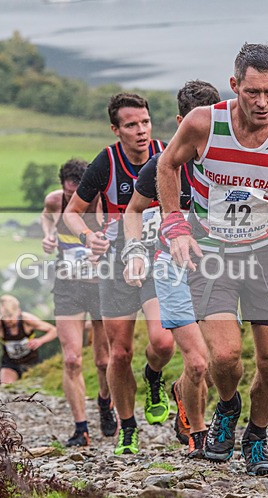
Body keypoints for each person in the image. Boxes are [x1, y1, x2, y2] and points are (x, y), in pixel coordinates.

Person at [155, 43, 268, 476]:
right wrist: (175, 226)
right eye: (252, 92)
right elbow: (165, 165)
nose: (262, 102)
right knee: (227, 356)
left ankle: (256, 435)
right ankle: (228, 408)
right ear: (234, 86)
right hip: (212, 255)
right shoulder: (203, 123)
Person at [63, 93, 175, 455]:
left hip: (159, 260)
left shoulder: (168, 153)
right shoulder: (106, 162)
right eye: (131, 125)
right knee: (120, 354)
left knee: (162, 342)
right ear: (116, 129)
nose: (141, 131)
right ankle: (128, 426)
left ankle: (154, 379)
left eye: (145, 122)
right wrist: (88, 236)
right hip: (116, 264)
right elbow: (72, 211)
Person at [122, 80, 221, 459]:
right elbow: (133, 211)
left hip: (216, 268)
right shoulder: (160, 166)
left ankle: (181, 392)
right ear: (181, 121)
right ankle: (198, 436)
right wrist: (134, 251)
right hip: (171, 267)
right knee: (196, 362)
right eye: (196, 123)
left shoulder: (227, 164)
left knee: (217, 364)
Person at [41, 158, 115, 448]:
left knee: (103, 360)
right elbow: (47, 217)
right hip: (68, 285)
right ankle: (80, 427)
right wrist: (48, 236)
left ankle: (105, 401)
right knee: (72, 359)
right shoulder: (54, 201)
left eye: (78, 194)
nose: (74, 201)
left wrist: (103, 252)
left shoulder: (101, 203)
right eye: (69, 194)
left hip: (101, 286)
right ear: (63, 187)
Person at [0, 294, 57, 384]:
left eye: (10, 315)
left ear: (18, 312)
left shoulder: (27, 320)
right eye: (4, 316)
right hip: (10, 365)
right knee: (6, 389)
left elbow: (53, 330)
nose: (7, 320)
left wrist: (40, 340)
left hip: (32, 362)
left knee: (34, 390)